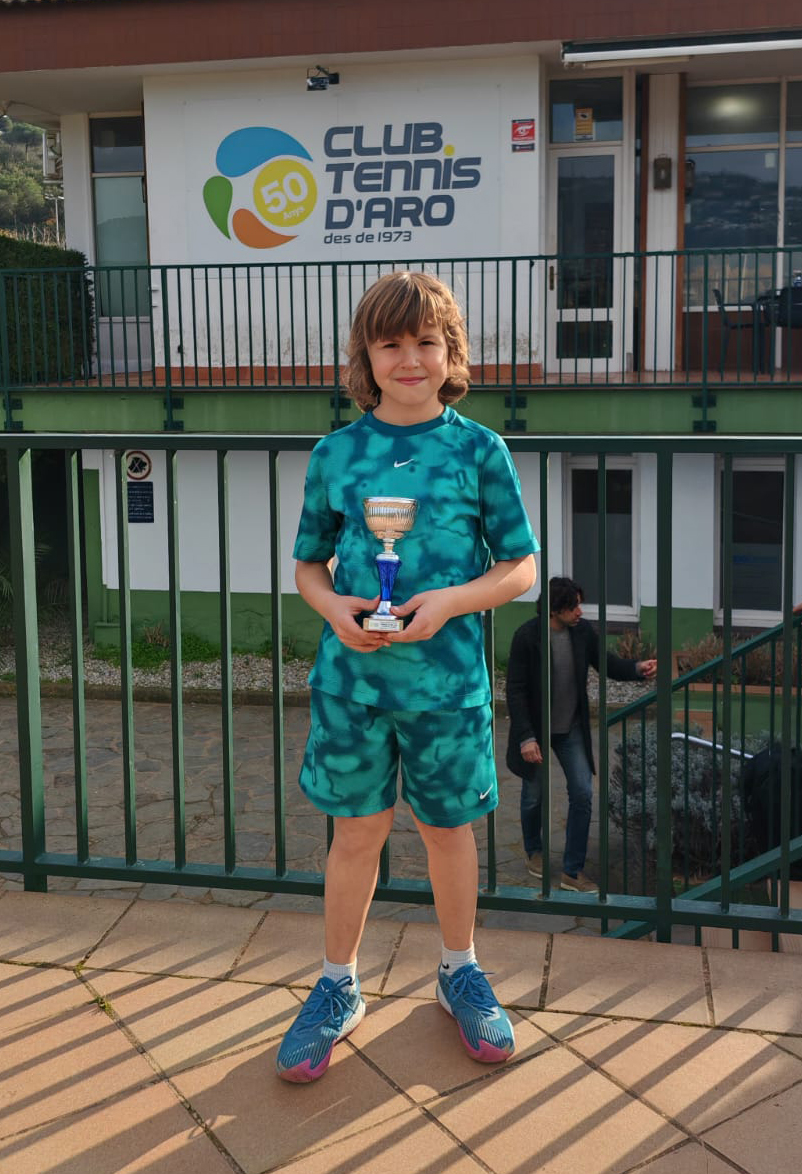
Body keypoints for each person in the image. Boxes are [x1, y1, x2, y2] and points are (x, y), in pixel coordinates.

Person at [276, 271, 538, 1082]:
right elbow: (308, 565)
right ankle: (337, 984)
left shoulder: (479, 450)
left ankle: (459, 970)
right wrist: (334, 609)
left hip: (446, 686)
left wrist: (449, 602)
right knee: (355, 834)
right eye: (390, 344)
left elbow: (521, 568)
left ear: (450, 352)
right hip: (352, 685)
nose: (410, 359)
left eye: (426, 342)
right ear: (366, 356)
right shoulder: (336, 454)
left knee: (447, 832)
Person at [505, 576, 656, 893]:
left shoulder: (582, 632)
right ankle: (534, 851)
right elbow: (515, 691)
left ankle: (572, 870)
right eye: (573, 606)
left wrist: (637, 668)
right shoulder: (527, 637)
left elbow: (606, 663)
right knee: (533, 796)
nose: (580, 611)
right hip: (537, 731)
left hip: (571, 728)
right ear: (554, 609)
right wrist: (526, 737)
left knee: (583, 794)